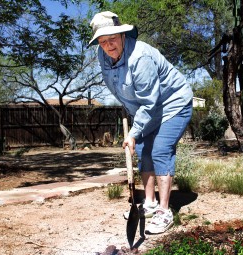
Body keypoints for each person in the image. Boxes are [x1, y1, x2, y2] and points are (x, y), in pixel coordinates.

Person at [88, 11, 193, 234]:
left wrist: (134, 132)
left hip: (173, 105)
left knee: (161, 150)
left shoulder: (140, 57)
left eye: (112, 39)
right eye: (103, 41)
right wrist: (130, 114)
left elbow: (150, 101)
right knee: (144, 150)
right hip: (147, 109)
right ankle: (149, 203)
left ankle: (165, 211)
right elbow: (118, 86)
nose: (108, 45)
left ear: (123, 34)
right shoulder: (102, 54)